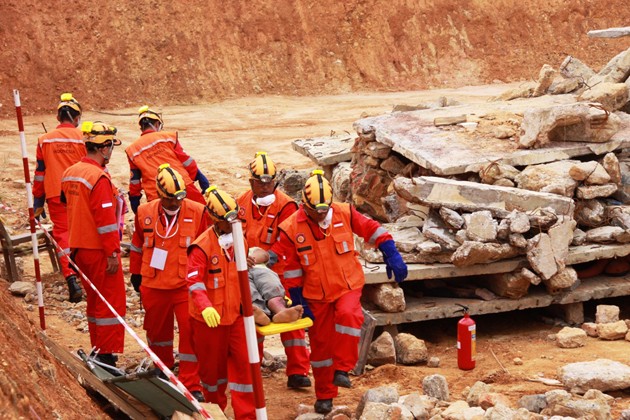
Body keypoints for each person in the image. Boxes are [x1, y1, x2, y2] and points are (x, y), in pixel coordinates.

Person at [273, 169, 408, 414]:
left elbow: (372, 229)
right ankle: (325, 396)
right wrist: (297, 299)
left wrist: (391, 252)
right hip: (315, 296)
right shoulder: (291, 228)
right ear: (305, 206)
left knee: (350, 316)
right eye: (316, 211)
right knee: (321, 347)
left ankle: (343, 368)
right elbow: (289, 268)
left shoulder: (344, 213)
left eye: (325, 209)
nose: (321, 214)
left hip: (347, 286)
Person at [129, 164, 207, 401]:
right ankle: (162, 371)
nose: (175, 204)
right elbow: (137, 244)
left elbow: (205, 247)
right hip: (154, 285)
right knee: (157, 333)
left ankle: (191, 383)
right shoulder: (144, 212)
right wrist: (135, 273)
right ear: (160, 195)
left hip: (185, 286)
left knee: (190, 334)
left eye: (179, 198)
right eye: (170, 199)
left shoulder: (198, 212)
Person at [236, 151, 312, 389]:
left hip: (280, 271)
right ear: (252, 182)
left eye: (270, 181)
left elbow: (286, 241)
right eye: (260, 181)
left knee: (290, 324)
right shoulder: (241, 202)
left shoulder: (286, 206)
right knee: (253, 316)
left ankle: (298, 371)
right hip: (248, 270)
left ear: (276, 181)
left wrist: (264, 256)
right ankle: (252, 368)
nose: (265, 186)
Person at [61, 121, 126, 367]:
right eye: (110, 147)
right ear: (105, 147)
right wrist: (112, 253)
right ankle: (106, 355)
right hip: (99, 251)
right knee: (111, 303)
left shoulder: (71, 172)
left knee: (95, 302)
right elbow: (105, 222)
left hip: (78, 249)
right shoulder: (98, 177)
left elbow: (67, 204)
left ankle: (99, 349)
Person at [187, 186, 255, 419]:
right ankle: (216, 412)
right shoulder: (201, 247)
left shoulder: (239, 240)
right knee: (212, 375)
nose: (233, 225)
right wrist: (205, 306)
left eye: (235, 219)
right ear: (214, 220)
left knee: (246, 366)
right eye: (228, 221)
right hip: (210, 322)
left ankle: (246, 415)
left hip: (235, 317)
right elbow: (194, 282)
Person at [33, 93, 86, 303]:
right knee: (83, 233)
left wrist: (38, 200)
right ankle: (86, 275)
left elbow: (40, 173)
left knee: (63, 235)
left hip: (56, 193)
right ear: (76, 118)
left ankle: (71, 278)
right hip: (81, 192)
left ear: (58, 118)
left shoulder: (44, 140)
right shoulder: (84, 137)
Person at [125, 106, 209, 213]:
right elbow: (187, 162)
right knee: (203, 219)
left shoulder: (132, 150)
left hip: (157, 195)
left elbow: (135, 181)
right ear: (156, 124)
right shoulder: (168, 137)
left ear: (142, 128)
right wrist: (199, 177)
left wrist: (134, 199)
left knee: (163, 227)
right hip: (183, 187)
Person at [248, 247, 303, 326]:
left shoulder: (250, 250)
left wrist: (249, 259)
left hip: (259, 270)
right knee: (249, 291)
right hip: (240, 274)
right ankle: (262, 314)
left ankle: (281, 311)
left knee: (271, 286)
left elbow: (264, 255)